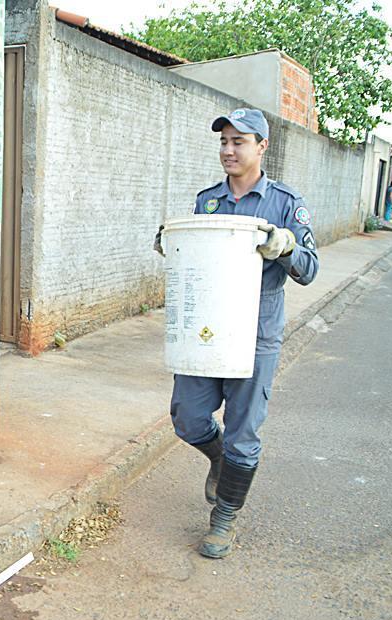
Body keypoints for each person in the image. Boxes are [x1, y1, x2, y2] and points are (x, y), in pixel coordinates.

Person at [154, 108, 319, 558]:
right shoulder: (207, 201)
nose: (228, 150)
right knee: (187, 417)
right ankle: (218, 457)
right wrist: (173, 242)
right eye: (224, 141)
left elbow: (309, 268)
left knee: (244, 431)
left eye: (238, 142)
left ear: (262, 147)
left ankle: (223, 520)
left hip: (255, 335)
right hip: (206, 329)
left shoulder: (285, 202)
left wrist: (285, 245)